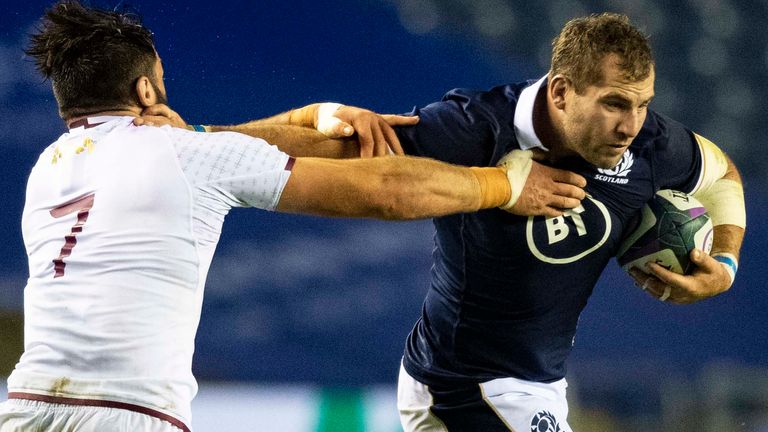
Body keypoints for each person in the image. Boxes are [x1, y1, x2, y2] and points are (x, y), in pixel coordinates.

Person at [0, 2, 591, 432]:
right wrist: (502, 185)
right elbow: (384, 190)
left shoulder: (51, 166)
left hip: (24, 407)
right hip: (129, 416)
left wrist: (314, 115)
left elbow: (210, 144)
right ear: (147, 91)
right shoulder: (182, 155)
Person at [326, 12, 747, 432]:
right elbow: (355, 158)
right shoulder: (477, 127)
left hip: (538, 384)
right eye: (615, 104)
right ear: (562, 92)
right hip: (464, 385)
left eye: (643, 105)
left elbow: (723, 174)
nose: (630, 126)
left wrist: (725, 264)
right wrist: (316, 120)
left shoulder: (649, 143)